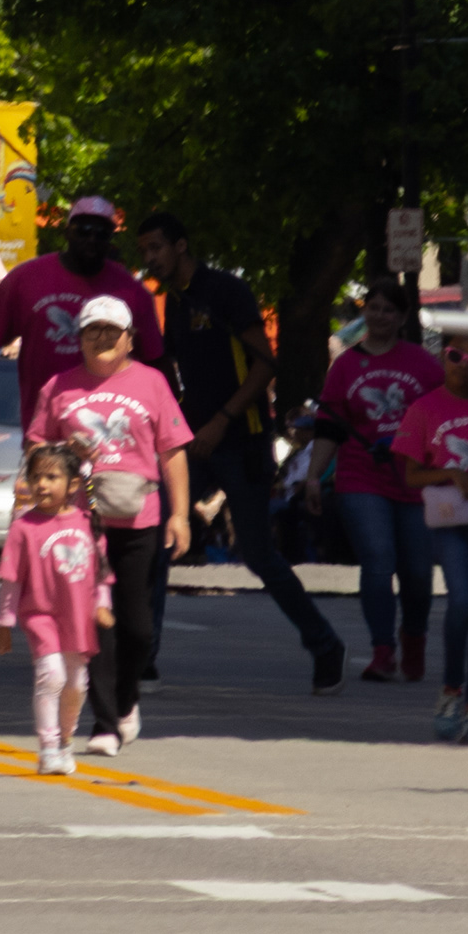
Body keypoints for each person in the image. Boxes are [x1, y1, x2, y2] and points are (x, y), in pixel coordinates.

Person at [138, 210, 342, 690]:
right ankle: (143, 654)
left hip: (241, 440)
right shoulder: (176, 302)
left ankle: (325, 643)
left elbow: (265, 363)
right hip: (193, 442)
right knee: (158, 536)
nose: (150, 258)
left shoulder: (226, 290)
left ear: (181, 245)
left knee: (258, 555)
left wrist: (221, 421)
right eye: (145, 251)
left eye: (156, 248)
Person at [26, 294, 189, 752]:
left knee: (137, 628)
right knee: (94, 624)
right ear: (78, 338)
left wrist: (179, 515)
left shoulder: (152, 382)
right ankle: (103, 725)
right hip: (78, 522)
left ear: (129, 340)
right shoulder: (58, 387)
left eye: (111, 332)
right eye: (93, 331)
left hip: (140, 520)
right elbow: (35, 450)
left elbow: (172, 451)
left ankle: (125, 698)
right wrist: (64, 454)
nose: (102, 339)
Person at [309, 278, 439, 684]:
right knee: (378, 562)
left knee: (418, 572)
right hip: (362, 477)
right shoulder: (345, 366)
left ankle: (414, 637)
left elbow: (442, 419)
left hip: (415, 479)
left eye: (389, 310)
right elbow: (329, 427)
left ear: (402, 318)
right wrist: (313, 476)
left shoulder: (422, 363)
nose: (380, 316)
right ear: (364, 312)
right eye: (374, 308)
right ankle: (382, 649)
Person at [394, 331, 468, 745]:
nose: (464, 366)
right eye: (457, 356)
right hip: (448, 517)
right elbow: (409, 474)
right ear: (443, 355)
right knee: (460, 602)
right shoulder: (424, 409)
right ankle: (450, 691)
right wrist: (450, 473)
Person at [0, 437, 108, 772]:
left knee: (76, 684)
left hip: (78, 617)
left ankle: (65, 742)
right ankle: (47, 747)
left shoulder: (88, 523)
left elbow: (101, 574)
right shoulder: (23, 527)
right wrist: (4, 623)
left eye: (51, 477)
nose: (41, 484)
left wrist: (102, 605)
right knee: (51, 676)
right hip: (40, 615)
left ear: (73, 484)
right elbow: (11, 580)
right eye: (36, 477)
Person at [0, 195, 166, 385]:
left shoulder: (132, 292)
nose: (92, 239)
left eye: (102, 233)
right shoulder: (25, 279)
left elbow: (156, 363)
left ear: (111, 239)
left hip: (109, 412)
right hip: (43, 412)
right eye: (84, 230)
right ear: (67, 232)